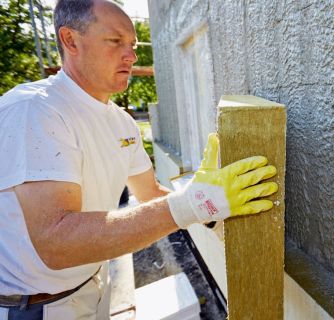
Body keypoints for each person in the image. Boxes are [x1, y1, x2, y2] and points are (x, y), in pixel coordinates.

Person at [0, 0, 278, 319]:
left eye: (132, 44)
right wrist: (193, 204)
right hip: (36, 306)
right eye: (115, 41)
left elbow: (151, 195)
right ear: (70, 40)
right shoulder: (34, 111)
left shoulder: (121, 122)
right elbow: (56, 242)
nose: (131, 55)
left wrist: (214, 215)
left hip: (93, 286)